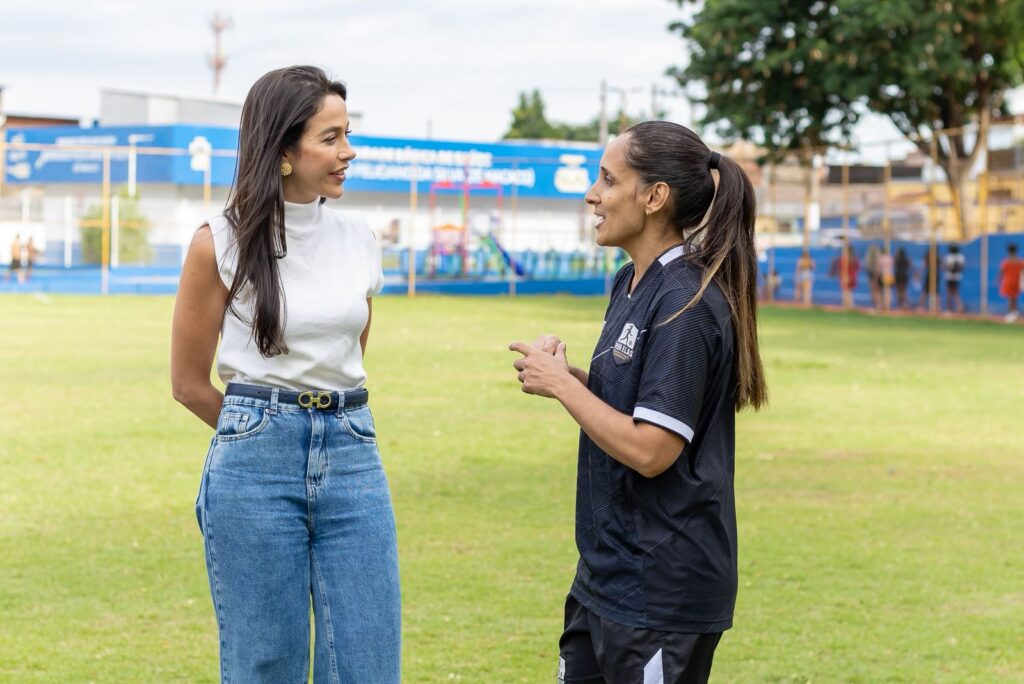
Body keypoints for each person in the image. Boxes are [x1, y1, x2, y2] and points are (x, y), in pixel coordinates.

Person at [510, 122, 767, 683]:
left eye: (607, 179)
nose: (591, 195)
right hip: (605, 575)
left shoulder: (686, 302)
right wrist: (564, 374)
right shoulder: (631, 280)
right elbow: (633, 400)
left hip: (662, 589)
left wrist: (564, 386)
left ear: (654, 197)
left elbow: (652, 449)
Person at [170, 66, 399, 682]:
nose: (347, 152)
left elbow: (349, 351)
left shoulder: (359, 237)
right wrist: (262, 427)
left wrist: (317, 424)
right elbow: (188, 383)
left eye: (347, 134)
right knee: (264, 664)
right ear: (283, 151)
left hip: (353, 452)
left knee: (367, 663)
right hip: (253, 466)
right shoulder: (215, 241)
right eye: (330, 138)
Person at [830, 243, 860, 308]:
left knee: (846, 291)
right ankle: (849, 305)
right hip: (851, 276)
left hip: (846, 275)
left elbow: (839, 266)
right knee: (848, 291)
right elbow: (857, 267)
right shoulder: (853, 258)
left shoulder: (845, 258)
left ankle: (847, 305)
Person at [998, 243, 1023, 322]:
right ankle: (1015, 313)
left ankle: (1011, 314)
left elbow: (1001, 273)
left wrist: (999, 280)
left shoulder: (1006, 262)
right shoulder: (1020, 261)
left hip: (1008, 282)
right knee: (1015, 298)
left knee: (1010, 299)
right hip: (1017, 282)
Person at [943, 243, 966, 313]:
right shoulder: (961, 257)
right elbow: (962, 267)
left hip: (949, 276)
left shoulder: (948, 257)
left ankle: (950, 307)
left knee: (950, 292)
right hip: (957, 277)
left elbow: (945, 266)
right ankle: (959, 306)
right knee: (955, 292)